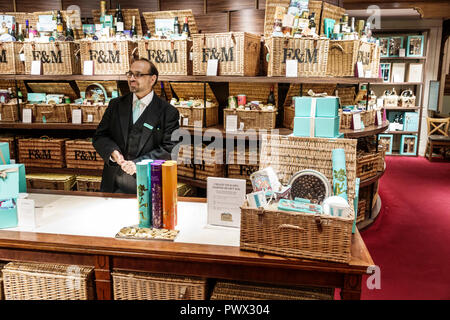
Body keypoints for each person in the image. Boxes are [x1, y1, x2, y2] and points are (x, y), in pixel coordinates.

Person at [93, 58, 180, 194]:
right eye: (130, 74)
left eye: (138, 74)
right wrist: (112, 153)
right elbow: (100, 136)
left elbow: (169, 149)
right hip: (113, 185)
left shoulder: (168, 112)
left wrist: (138, 164)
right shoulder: (115, 105)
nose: (132, 78)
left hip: (150, 186)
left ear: (152, 79)